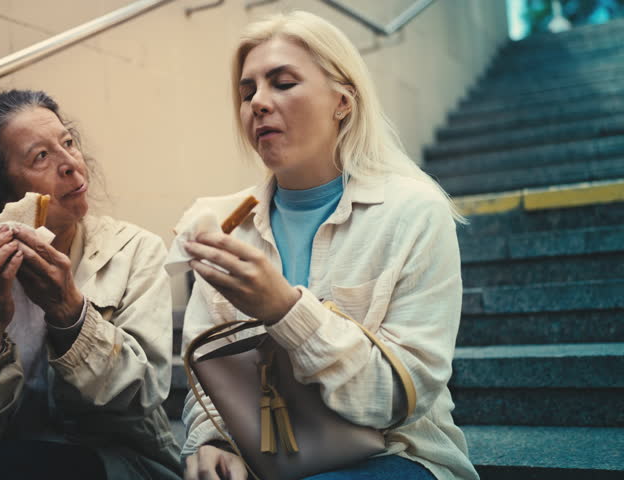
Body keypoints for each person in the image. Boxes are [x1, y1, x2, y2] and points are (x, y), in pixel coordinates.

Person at [178, 11, 477, 480]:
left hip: (394, 454)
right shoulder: (223, 224)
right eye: (247, 90)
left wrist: (285, 310)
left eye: (282, 82)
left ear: (342, 100)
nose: (259, 102)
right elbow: (203, 367)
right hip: (266, 462)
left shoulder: (413, 211)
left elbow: (399, 400)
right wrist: (212, 441)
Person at [0, 89, 181, 480]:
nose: (72, 164)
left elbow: (143, 395)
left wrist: (71, 314)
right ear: (0, 190)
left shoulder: (134, 251)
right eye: (41, 156)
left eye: (68, 142)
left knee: (14, 468)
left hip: (117, 460)